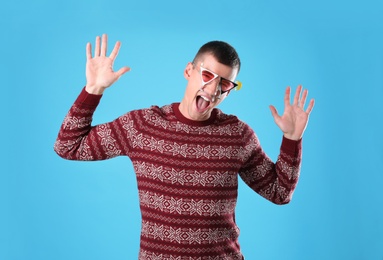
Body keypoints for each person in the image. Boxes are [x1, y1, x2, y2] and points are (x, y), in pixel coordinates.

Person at [54, 34, 315, 260]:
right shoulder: (143, 125)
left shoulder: (238, 135)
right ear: (189, 71)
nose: (213, 90)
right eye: (207, 75)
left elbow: (279, 192)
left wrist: (292, 140)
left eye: (224, 84)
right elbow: (69, 146)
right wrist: (94, 89)